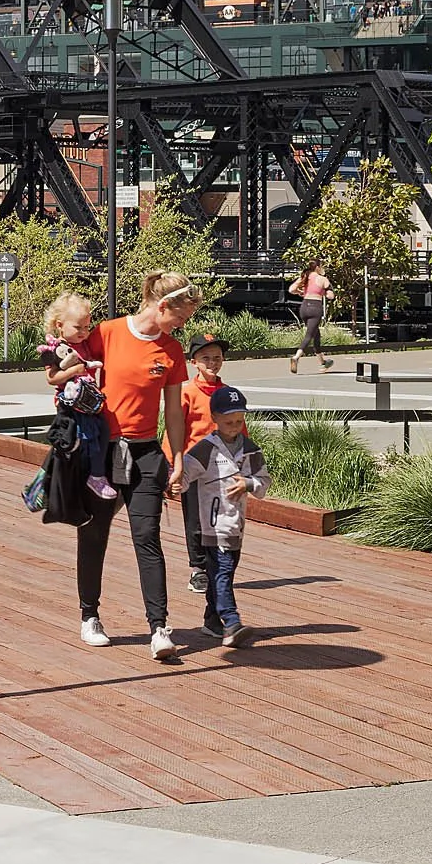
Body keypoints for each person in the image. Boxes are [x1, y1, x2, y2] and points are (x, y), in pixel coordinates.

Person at [65, 270, 195, 661]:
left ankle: (159, 628)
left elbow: (173, 409)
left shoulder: (171, 351)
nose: (182, 325)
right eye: (181, 317)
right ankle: (90, 616)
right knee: (94, 532)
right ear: (162, 306)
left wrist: (178, 456)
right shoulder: (106, 333)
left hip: (145, 453)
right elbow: (62, 369)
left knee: (147, 537)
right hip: (102, 452)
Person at [177, 383, 268, 648]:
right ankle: (231, 622)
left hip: (235, 526)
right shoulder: (205, 448)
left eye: (239, 421)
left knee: (223, 572)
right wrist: (172, 481)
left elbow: (263, 481)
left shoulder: (250, 449)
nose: (234, 426)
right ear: (214, 418)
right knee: (222, 573)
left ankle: (211, 622)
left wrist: (248, 484)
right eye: (228, 421)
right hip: (212, 525)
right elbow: (185, 475)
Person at [39, 294, 119, 501]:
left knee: (100, 432)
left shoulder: (84, 344)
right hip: (71, 404)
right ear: (60, 325)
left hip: (89, 401)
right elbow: (51, 378)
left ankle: (93, 475)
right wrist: (75, 370)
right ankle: (87, 476)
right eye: (78, 327)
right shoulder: (54, 349)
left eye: (87, 327)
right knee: (79, 440)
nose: (84, 332)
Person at [179, 333, 230, 627]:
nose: (212, 363)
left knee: (219, 521)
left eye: (217, 358)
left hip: (223, 468)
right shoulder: (187, 392)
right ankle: (197, 566)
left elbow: (239, 429)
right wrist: (172, 465)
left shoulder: (228, 393)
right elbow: (177, 429)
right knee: (196, 521)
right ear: (194, 362)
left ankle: (214, 564)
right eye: (206, 358)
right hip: (195, 465)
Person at [287, 264, 333, 372]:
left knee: (316, 335)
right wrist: (326, 292)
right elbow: (331, 296)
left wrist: (300, 292)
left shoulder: (305, 276)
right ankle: (296, 357)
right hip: (315, 307)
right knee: (309, 335)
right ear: (317, 267)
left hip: (304, 307)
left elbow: (291, 289)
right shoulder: (323, 279)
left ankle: (322, 362)